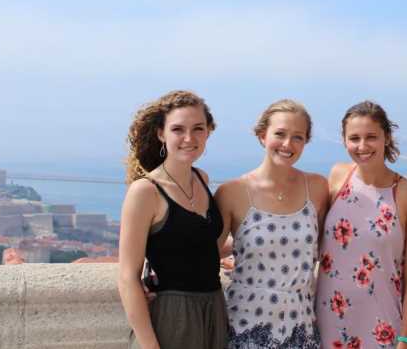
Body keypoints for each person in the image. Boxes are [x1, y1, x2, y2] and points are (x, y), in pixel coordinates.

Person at [118, 90, 228, 349]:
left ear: (208, 132)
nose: (189, 138)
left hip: (213, 310)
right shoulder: (145, 191)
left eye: (198, 129)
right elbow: (126, 277)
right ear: (161, 133)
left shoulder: (202, 178)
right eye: (178, 129)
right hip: (172, 317)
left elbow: (197, 244)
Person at [215, 99, 329, 349]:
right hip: (245, 325)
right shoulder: (232, 192)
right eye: (280, 134)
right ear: (261, 136)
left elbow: (329, 247)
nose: (288, 144)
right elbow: (206, 254)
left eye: (298, 137)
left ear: (306, 142)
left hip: (301, 326)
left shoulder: (318, 188)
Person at [316, 101, 407, 349]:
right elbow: (315, 240)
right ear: (344, 140)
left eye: (371, 137)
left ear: (386, 138)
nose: (362, 146)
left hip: (383, 325)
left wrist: (406, 337)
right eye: (354, 138)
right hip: (328, 320)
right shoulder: (338, 175)